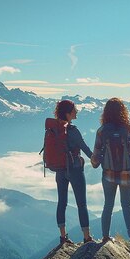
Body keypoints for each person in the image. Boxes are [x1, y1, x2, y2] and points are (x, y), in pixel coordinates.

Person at [91, 98, 130, 251]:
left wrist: (95, 164)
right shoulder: (129, 131)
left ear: (106, 112)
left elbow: (95, 156)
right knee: (127, 205)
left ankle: (105, 237)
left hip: (108, 174)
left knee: (108, 205)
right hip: (127, 174)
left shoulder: (102, 131)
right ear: (123, 112)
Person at [53, 100, 94, 244]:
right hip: (75, 170)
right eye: (74, 110)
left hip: (59, 170)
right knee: (81, 204)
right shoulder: (73, 131)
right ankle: (87, 237)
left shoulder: (54, 129)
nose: (76, 112)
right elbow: (85, 147)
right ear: (68, 113)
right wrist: (96, 160)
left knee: (61, 202)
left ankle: (63, 237)